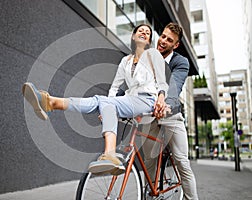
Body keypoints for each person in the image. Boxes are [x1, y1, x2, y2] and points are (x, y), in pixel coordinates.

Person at [22, 24, 168, 175]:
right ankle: (51, 102)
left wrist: (161, 99)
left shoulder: (153, 55)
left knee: (103, 101)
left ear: (149, 40)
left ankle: (51, 103)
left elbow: (162, 82)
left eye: (148, 32)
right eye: (140, 31)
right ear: (133, 36)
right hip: (130, 101)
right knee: (102, 101)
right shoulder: (125, 61)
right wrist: (109, 108)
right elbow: (114, 88)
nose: (144, 32)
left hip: (148, 100)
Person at [141, 22, 199, 199]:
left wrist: (165, 103)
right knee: (148, 162)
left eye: (169, 40)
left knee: (182, 162)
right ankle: (149, 196)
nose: (163, 41)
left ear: (176, 45)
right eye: (163, 36)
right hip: (150, 115)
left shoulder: (180, 62)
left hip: (170, 113)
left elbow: (175, 87)